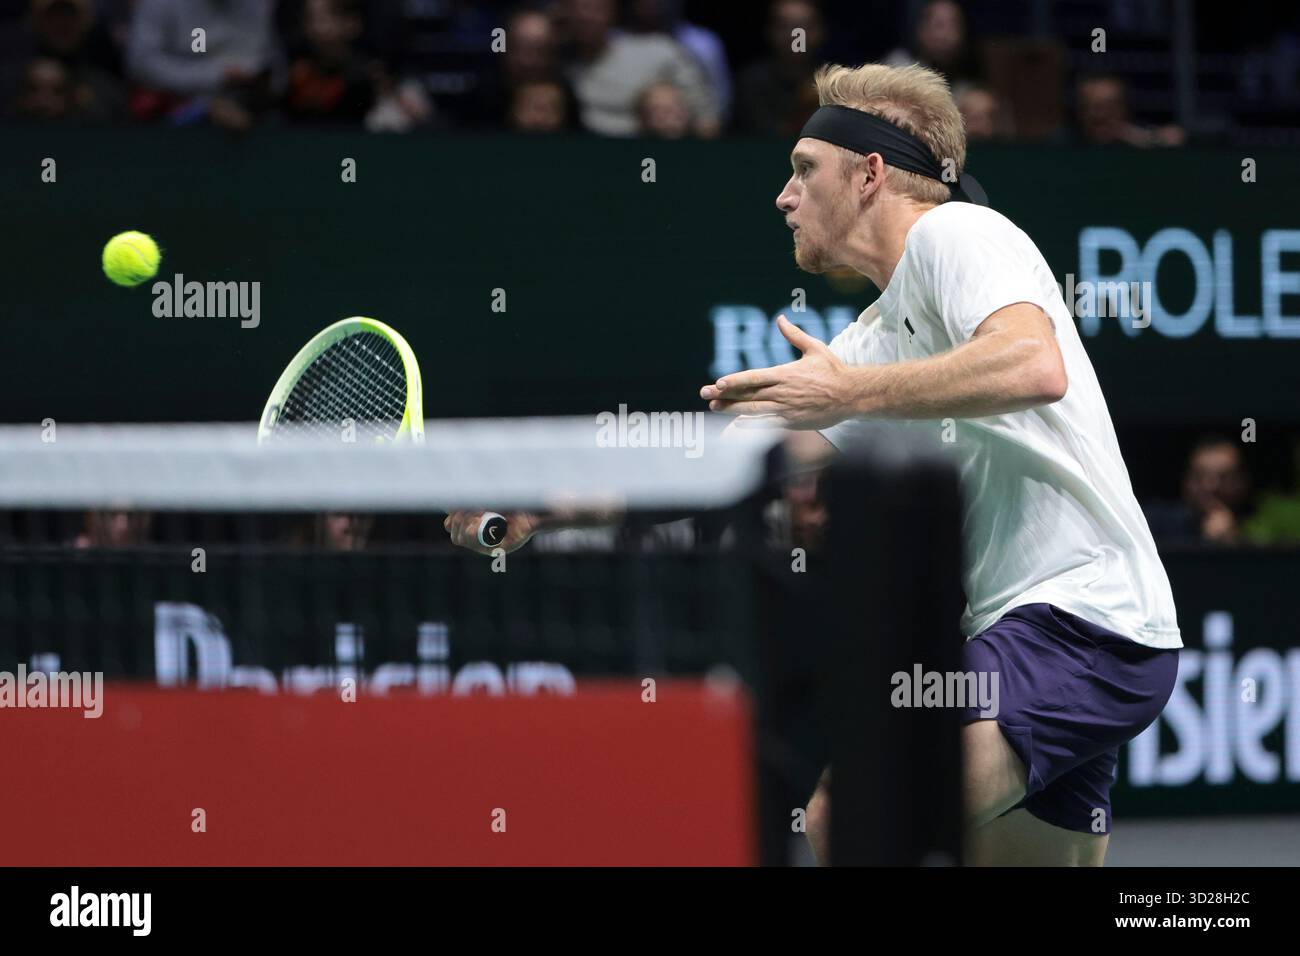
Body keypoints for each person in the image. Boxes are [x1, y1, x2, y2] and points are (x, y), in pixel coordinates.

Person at [698, 62, 1181, 866]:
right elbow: (744, 459)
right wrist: (548, 503)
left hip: (1078, 624)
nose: (784, 197)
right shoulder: (884, 330)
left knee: (853, 817)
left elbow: (1032, 365)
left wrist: (849, 393)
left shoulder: (958, 233)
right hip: (1046, 634)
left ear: (869, 174)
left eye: (803, 170)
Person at [1142, 436, 1252, 546]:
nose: (1210, 485)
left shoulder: (1259, 523)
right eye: (1199, 476)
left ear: (1243, 481)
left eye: (1224, 477)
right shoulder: (1151, 523)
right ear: (1186, 481)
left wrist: (1233, 540)